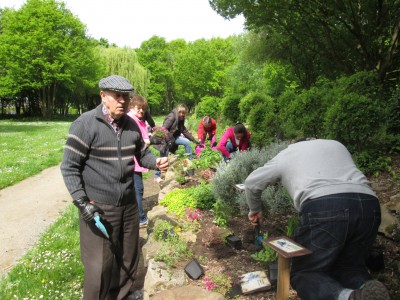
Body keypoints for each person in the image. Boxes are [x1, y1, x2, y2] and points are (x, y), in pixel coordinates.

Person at [61, 75, 168, 300]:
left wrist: (155, 162)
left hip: (128, 204)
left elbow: (141, 153)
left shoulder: (131, 126)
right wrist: (82, 202)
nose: (122, 101)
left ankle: (121, 295)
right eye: (117, 96)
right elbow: (69, 167)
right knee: (99, 266)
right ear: (103, 96)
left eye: (126, 97)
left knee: (127, 257)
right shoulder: (85, 124)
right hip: (98, 206)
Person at [244, 139, 390, 300]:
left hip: (326, 205)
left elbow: (252, 183)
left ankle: (349, 297)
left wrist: (255, 210)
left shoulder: (287, 153)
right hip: (369, 205)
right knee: (350, 267)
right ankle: (366, 291)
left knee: (306, 273)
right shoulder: (337, 145)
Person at [154, 103, 200, 182]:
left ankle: (190, 164)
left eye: (183, 113)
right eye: (180, 112)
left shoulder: (181, 118)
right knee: (163, 157)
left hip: (174, 138)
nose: (182, 114)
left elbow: (184, 131)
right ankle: (156, 175)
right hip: (164, 140)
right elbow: (163, 129)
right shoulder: (172, 116)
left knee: (187, 142)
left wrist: (194, 140)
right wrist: (168, 142)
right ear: (178, 111)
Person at [127, 94, 151, 228]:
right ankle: (140, 218)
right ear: (132, 107)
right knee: (138, 189)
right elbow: (138, 141)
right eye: (138, 108)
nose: (141, 111)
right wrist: (149, 141)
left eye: (143, 108)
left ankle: (136, 215)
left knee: (136, 189)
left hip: (137, 160)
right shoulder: (132, 120)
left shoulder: (138, 119)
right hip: (133, 161)